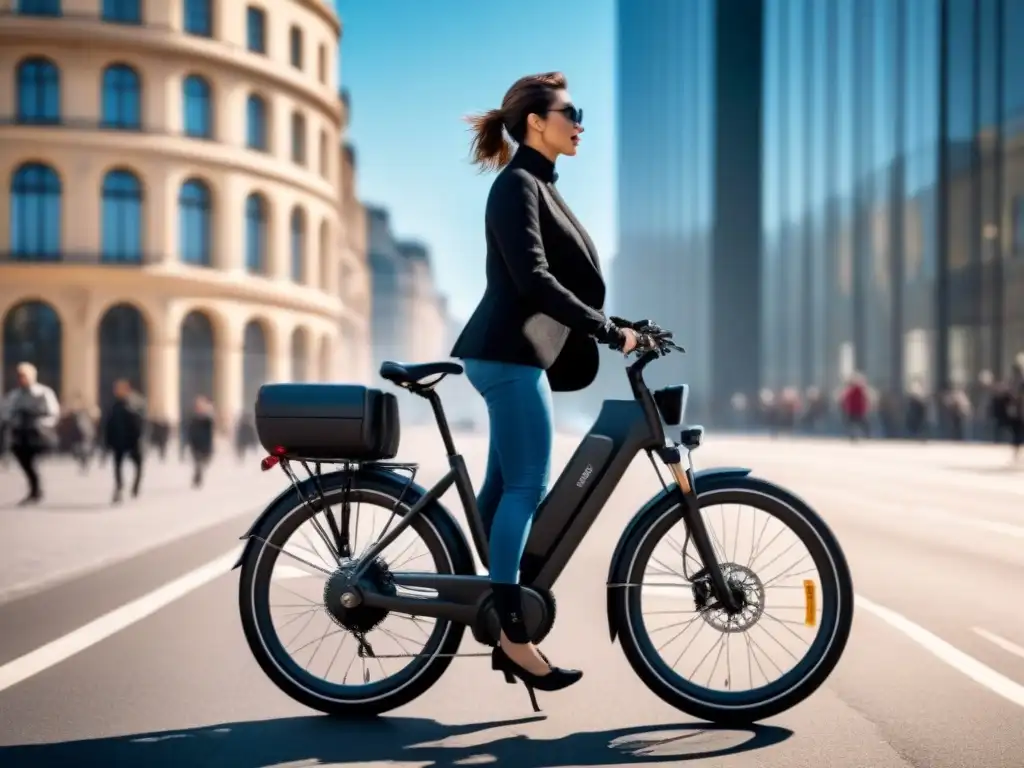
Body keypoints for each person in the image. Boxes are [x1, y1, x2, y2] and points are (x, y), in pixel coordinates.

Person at [449, 71, 639, 699]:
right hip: (509, 354)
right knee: (528, 485)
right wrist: (608, 332)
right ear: (536, 121)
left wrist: (623, 325)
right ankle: (511, 633)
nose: (580, 123)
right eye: (570, 112)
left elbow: (568, 282)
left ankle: (476, 598)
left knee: (506, 486)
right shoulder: (516, 186)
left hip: (515, 354)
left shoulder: (538, 184)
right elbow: (532, 280)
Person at [0, 362, 60, 505]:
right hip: (20, 434)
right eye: (20, 376)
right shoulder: (15, 396)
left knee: (32, 462)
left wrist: (40, 423)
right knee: (24, 461)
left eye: (24, 376)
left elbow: (53, 413)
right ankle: (35, 489)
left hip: (38, 434)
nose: (22, 379)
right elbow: (6, 413)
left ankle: (36, 490)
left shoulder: (43, 393)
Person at [103, 379, 147, 502]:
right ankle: (119, 487)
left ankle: (136, 486)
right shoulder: (113, 406)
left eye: (120, 389)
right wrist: (107, 443)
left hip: (134, 441)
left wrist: (139, 438)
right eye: (117, 389)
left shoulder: (135, 404)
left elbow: (141, 423)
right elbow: (108, 425)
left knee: (138, 465)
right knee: (117, 466)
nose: (118, 391)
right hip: (119, 441)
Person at [186, 396, 215, 487]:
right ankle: (197, 479)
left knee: (203, 463)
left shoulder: (207, 419)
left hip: (205, 445)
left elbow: (210, 433)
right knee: (198, 463)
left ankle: (197, 477)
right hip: (196, 445)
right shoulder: (193, 419)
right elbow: (190, 432)